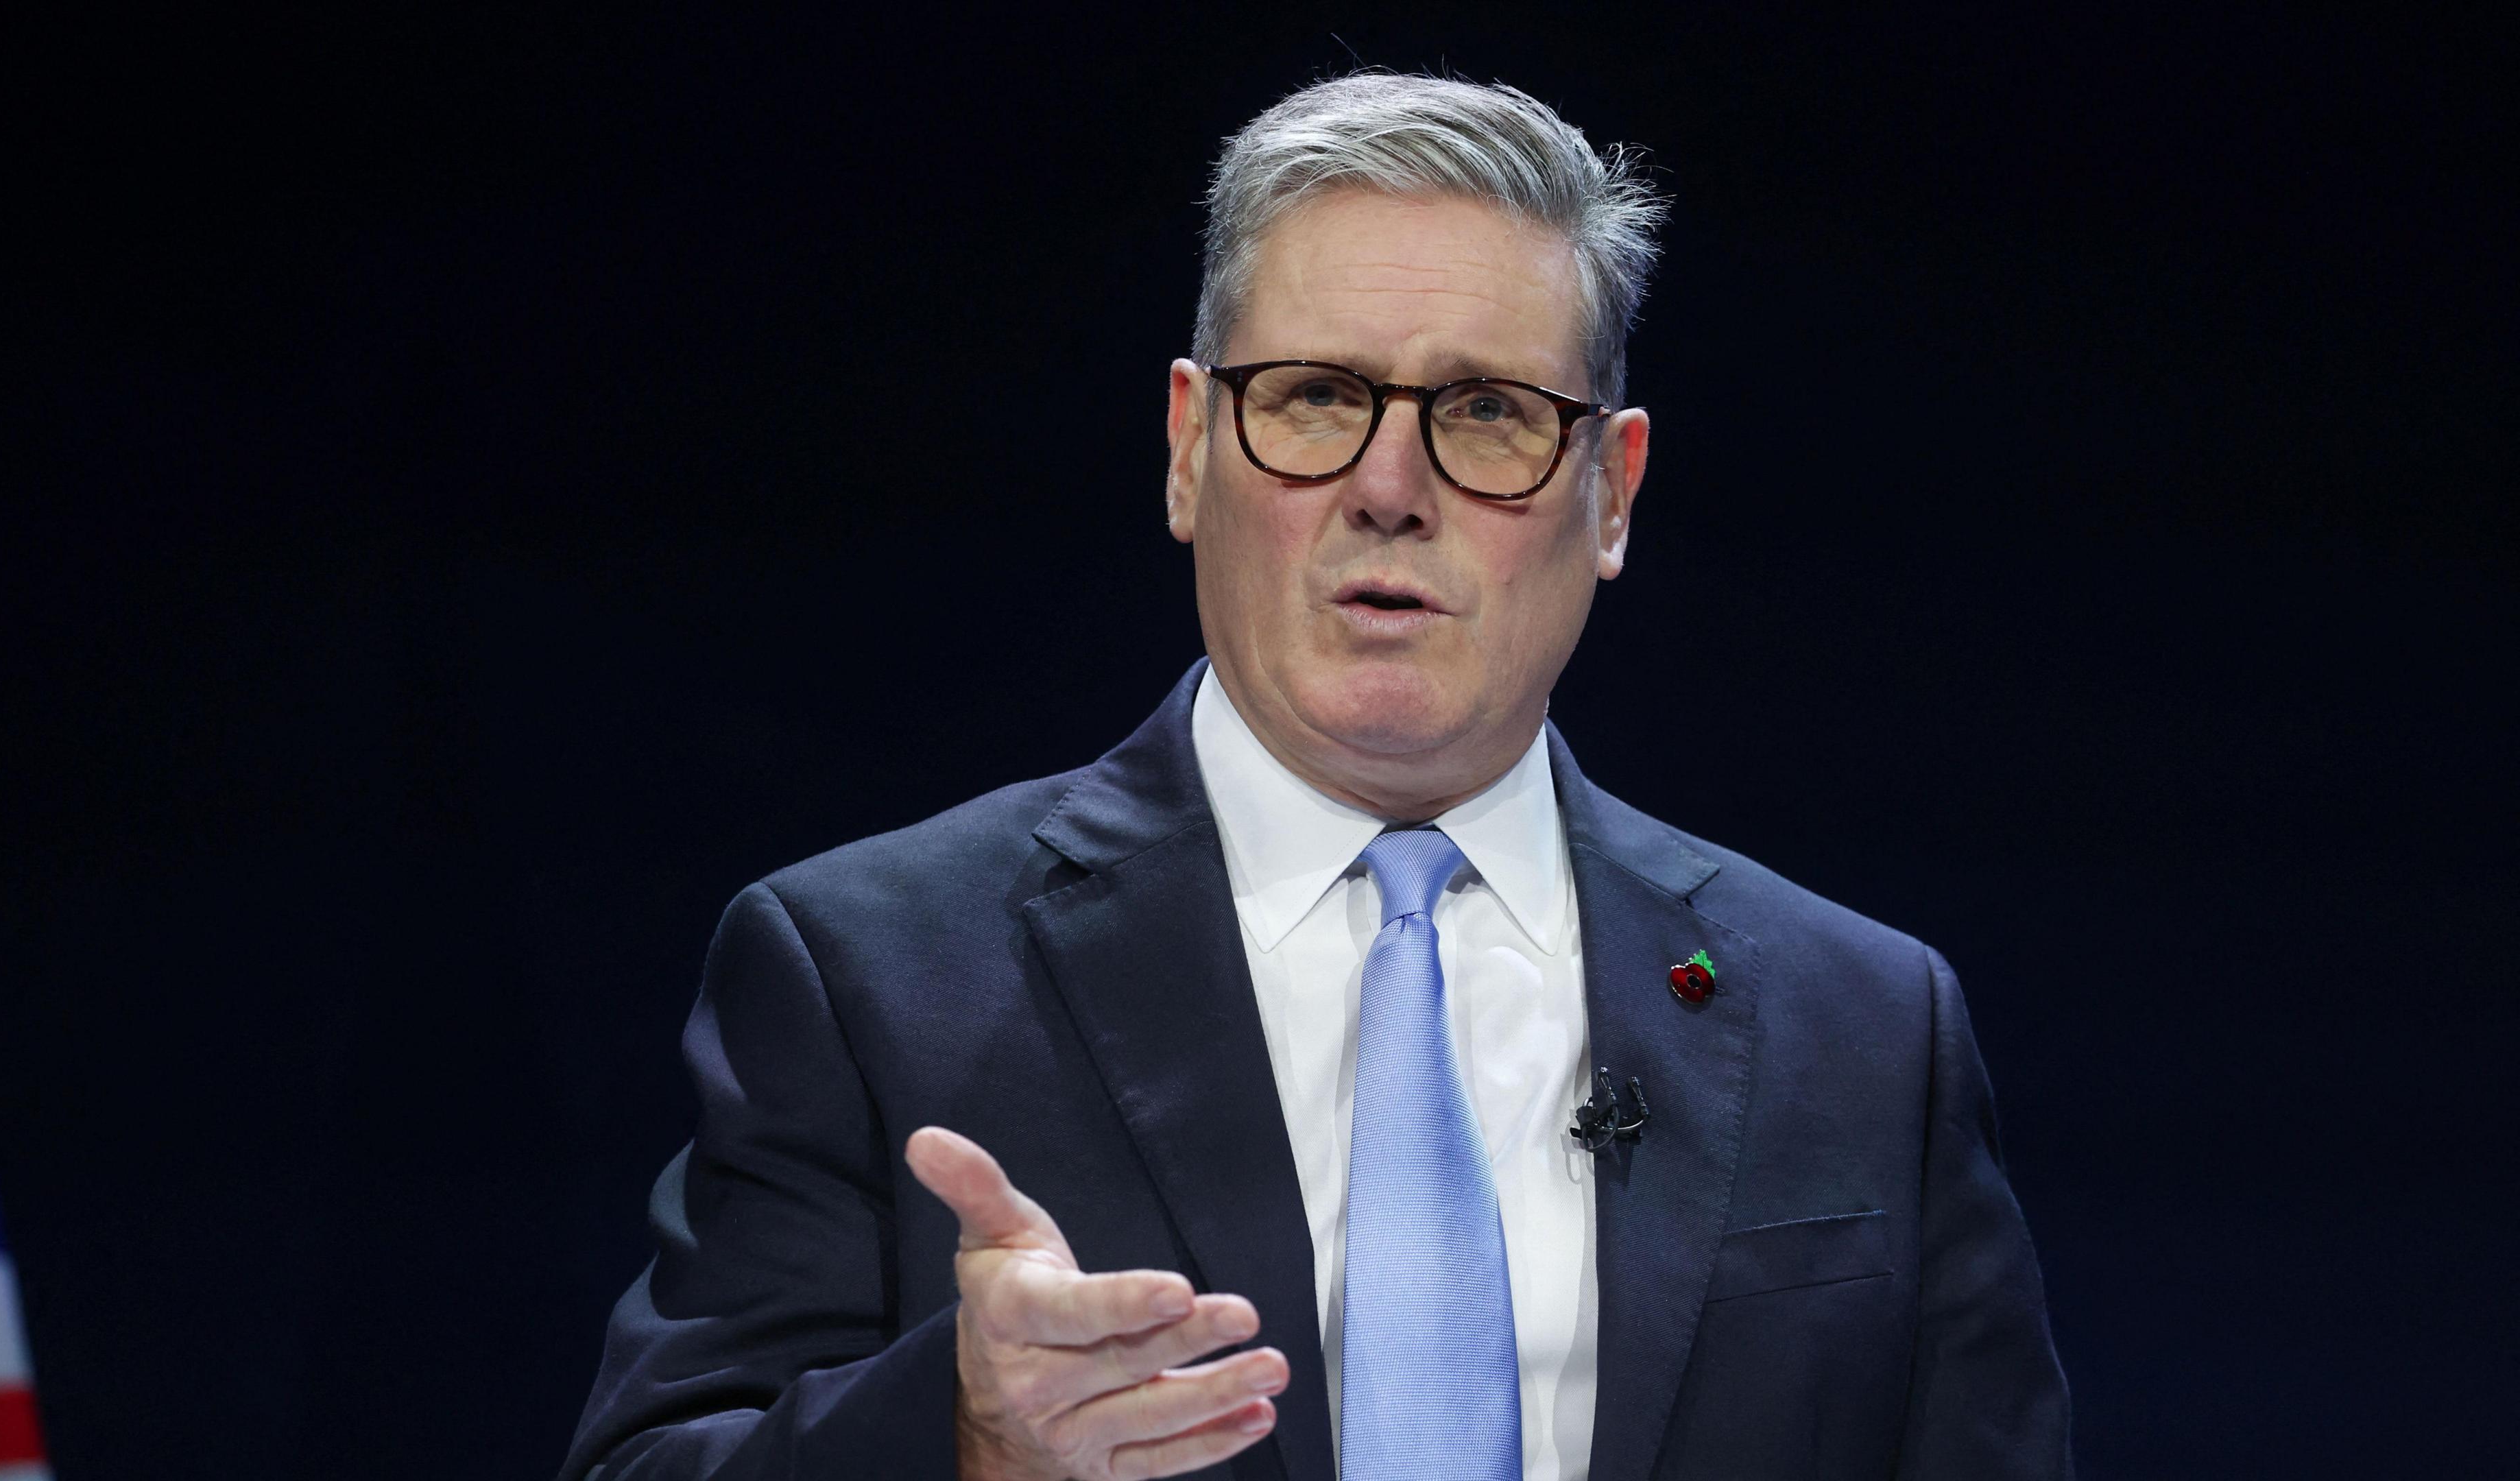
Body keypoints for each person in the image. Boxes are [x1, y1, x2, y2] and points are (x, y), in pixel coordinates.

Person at [561, 72, 2072, 1481]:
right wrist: (959, 1430)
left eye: (1487, 412)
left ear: (1610, 494)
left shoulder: (1869, 1032)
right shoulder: (867, 976)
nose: (1390, 490)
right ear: (1186, 448)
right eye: (1313, 398)